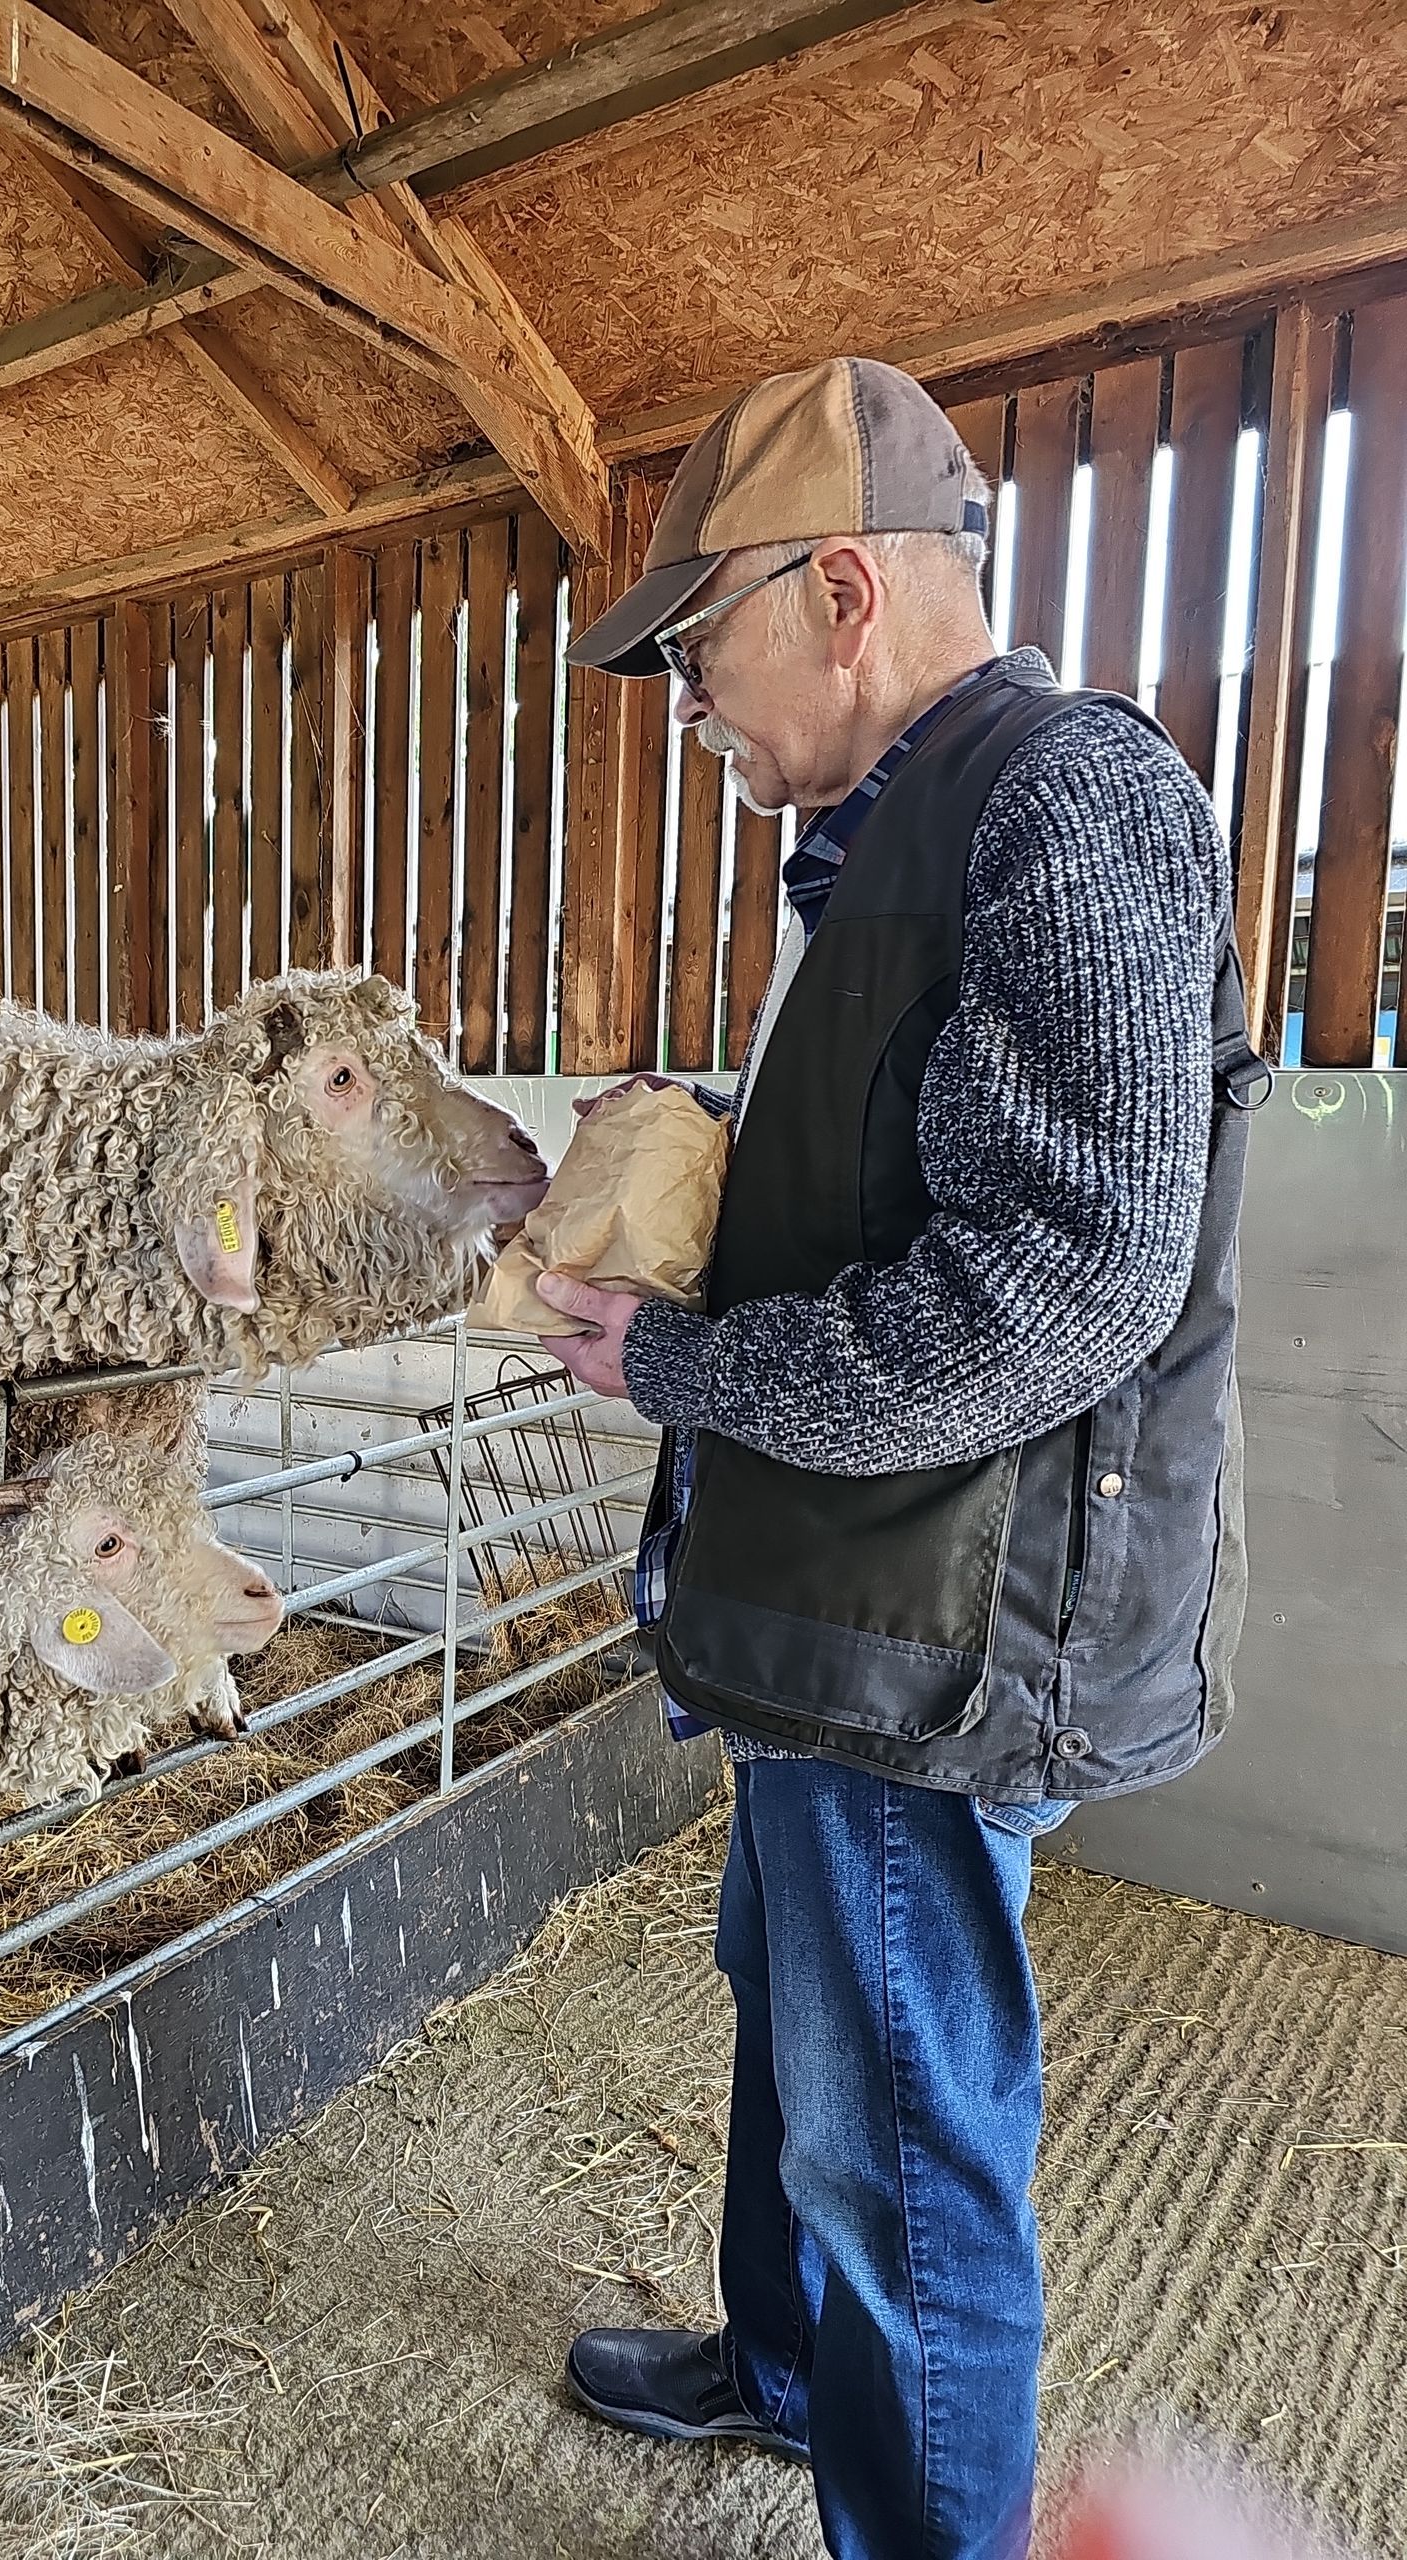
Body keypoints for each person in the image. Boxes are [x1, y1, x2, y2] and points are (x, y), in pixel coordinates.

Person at [534, 357, 1267, 2560]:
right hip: (838, 1596)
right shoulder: (886, 842)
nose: (680, 695)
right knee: (801, 1998)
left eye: (695, 642)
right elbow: (911, 1186)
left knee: (905, 2132)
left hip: (931, 1633)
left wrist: (683, 1360)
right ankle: (784, 2363)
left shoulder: (1068, 808)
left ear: (839, 587)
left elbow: (1066, 1276)